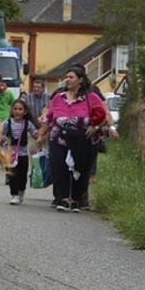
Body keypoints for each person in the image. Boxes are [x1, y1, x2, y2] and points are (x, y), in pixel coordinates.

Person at [37, 65, 106, 212]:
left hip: (81, 139)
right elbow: (49, 118)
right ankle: (62, 198)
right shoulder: (58, 97)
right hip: (58, 139)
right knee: (59, 168)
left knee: (80, 169)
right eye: (66, 77)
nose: (67, 80)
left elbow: (102, 115)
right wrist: (41, 134)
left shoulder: (90, 97)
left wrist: (94, 127)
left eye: (71, 77)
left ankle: (76, 199)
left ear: (80, 80)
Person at [1, 99, 38, 205]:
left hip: (23, 154)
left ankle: (21, 191)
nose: (17, 111)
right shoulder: (7, 122)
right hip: (11, 154)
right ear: (12, 110)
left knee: (22, 175)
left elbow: (35, 133)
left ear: (25, 112)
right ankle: (14, 194)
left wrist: (39, 136)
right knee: (12, 175)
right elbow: (1, 134)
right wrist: (5, 142)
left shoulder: (27, 123)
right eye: (15, 109)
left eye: (20, 109)